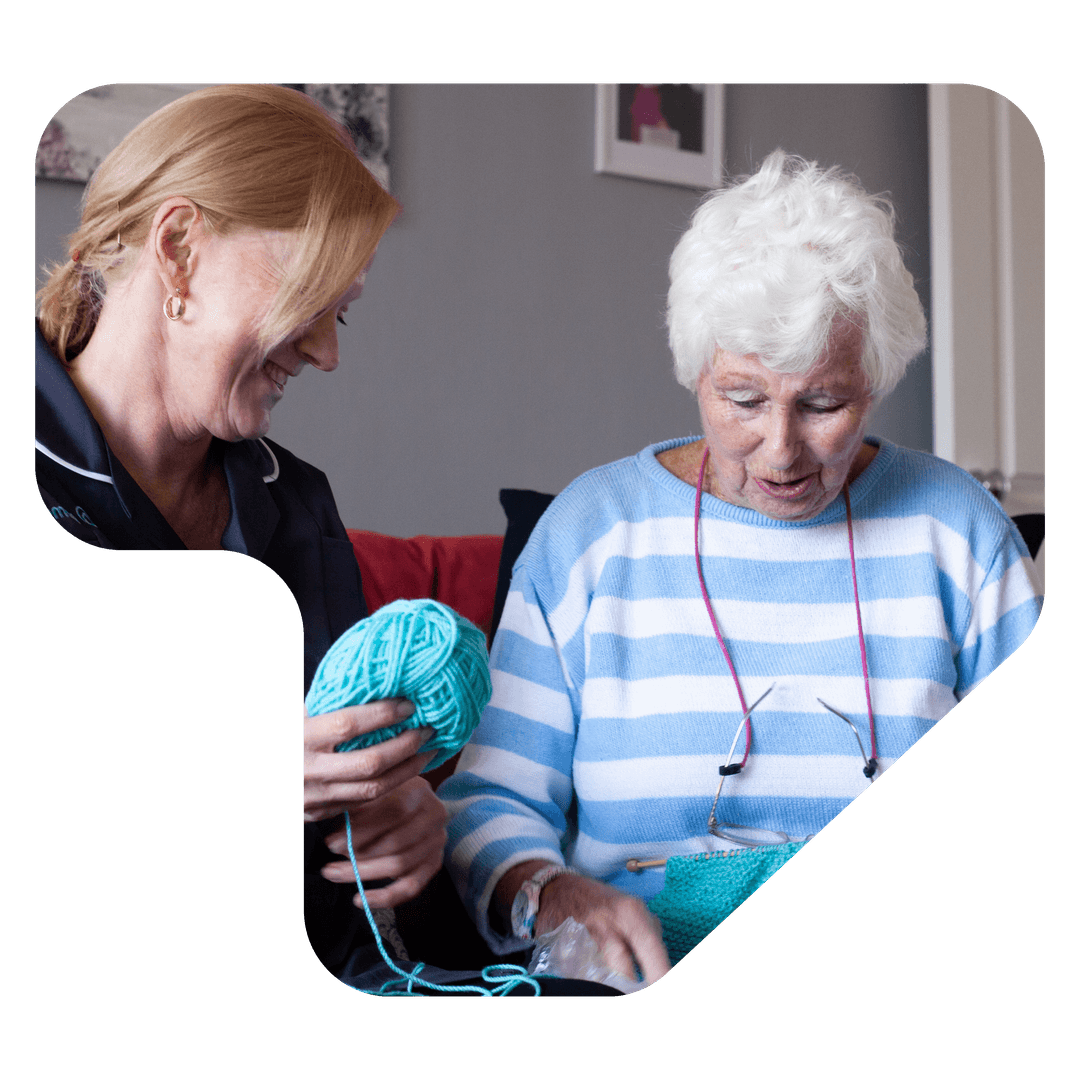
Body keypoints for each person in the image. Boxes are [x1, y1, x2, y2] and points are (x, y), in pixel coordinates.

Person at [440, 150, 1044, 988]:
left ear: (873, 381)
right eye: (744, 399)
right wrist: (549, 893)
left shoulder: (959, 536)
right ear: (696, 371)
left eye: (823, 403)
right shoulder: (592, 534)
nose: (781, 449)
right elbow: (490, 802)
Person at [34, 84, 448, 982]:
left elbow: (328, 792)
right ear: (179, 251)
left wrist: (403, 817)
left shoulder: (294, 504)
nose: (330, 353)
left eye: (344, 312)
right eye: (312, 298)